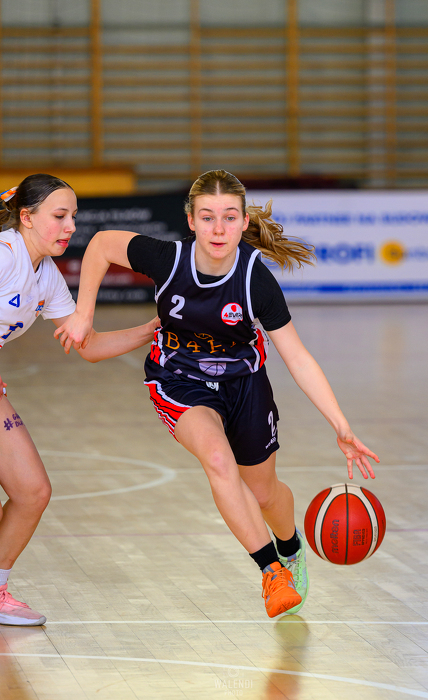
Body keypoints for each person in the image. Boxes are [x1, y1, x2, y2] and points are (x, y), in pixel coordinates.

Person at [55, 169, 380, 618]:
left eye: (229, 217)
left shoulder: (256, 281)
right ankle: (271, 572)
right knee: (218, 460)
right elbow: (101, 244)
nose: (218, 229)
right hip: (179, 380)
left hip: (245, 383)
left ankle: (290, 548)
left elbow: (298, 358)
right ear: (191, 221)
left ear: (244, 222)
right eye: (207, 217)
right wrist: (83, 313)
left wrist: (340, 425)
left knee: (264, 494)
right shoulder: (167, 259)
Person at [0, 173, 159, 626]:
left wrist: (155, 327)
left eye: (73, 216)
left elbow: (87, 346)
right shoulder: (4, 255)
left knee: (32, 492)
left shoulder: (46, 276)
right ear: (26, 218)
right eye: (59, 216)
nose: (70, 226)